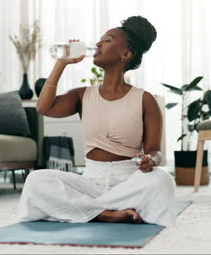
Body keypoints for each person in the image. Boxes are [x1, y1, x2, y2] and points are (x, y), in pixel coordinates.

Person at [16, 16, 176, 226]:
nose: (98, 44)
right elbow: (44, 107)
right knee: (37, 180)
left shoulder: (146, 100)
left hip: (129, 180)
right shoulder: (82, 95)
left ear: (125, 54)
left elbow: (155, 150)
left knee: (162, 180)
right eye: (100, 40)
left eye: (107, 40)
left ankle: (85, 210)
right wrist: (61, 63)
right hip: (90, 181)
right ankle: (106, 213)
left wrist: (151, 160)